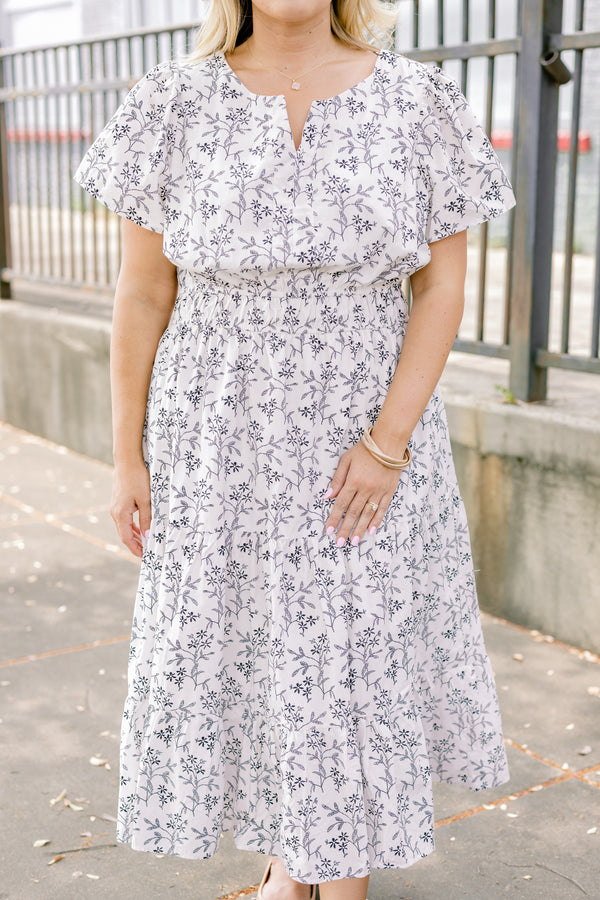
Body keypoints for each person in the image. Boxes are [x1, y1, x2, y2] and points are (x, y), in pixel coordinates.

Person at [74, 1, 516, 898]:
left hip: (364, 435)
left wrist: (386, 444)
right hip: (216, 435)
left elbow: (441, 288)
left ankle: (333, 867)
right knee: (253, 645)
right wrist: (128, 458)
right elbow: (144, 296)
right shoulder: (169, 102)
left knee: (351, 648)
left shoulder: (419, 99)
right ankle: (294, 854)